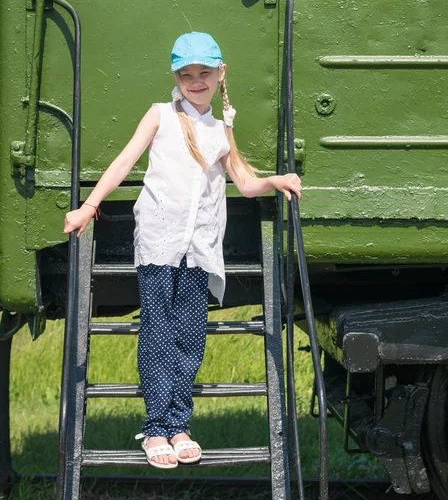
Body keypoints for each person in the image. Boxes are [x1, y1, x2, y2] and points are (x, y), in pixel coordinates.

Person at [63, 32, 302, 469]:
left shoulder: (220, 128)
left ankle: (179, 424)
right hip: (159, 241)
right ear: (176, 75)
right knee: (158, 330)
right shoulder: (159, 116)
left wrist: (275, 181)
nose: (196, 81)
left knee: (190, 337)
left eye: (204, 73)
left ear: (219, 74)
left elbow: (244, 183)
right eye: (187, 74)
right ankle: (155, 428)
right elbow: (123, 162)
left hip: (200, 246)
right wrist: (89, 206)